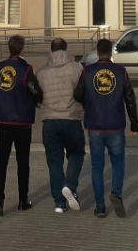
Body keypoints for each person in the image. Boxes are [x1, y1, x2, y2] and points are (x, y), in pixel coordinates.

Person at [74, 39, 138, 218]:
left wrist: (89, 103)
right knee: (118, 162)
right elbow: (130, 99)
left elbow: (77, 94)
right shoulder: (121, 72)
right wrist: (134, 124)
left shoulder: (87, 71)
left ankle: (100, 207)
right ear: (111, 52)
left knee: (97, 166)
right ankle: (116, 193)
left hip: (94, 125)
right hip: (115, 125)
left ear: (97, 52)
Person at [0, 35, 43, 216]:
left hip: (3, 120)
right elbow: (34, 91)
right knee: (22, 162)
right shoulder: (26, 69)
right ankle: (23, 200)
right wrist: (38, 100)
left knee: (1, 162)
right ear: (22, 49)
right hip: (22, 121)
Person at [36, 38, 85, 214]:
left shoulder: (41, 72)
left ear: (51, 50)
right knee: (77, 153)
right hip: (72, 119)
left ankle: (59, 203)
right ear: (66, 49)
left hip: (49, 121)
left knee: (54, 161)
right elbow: (83, 92)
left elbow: (36, 96)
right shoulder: (78, 68)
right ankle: (70, 186)